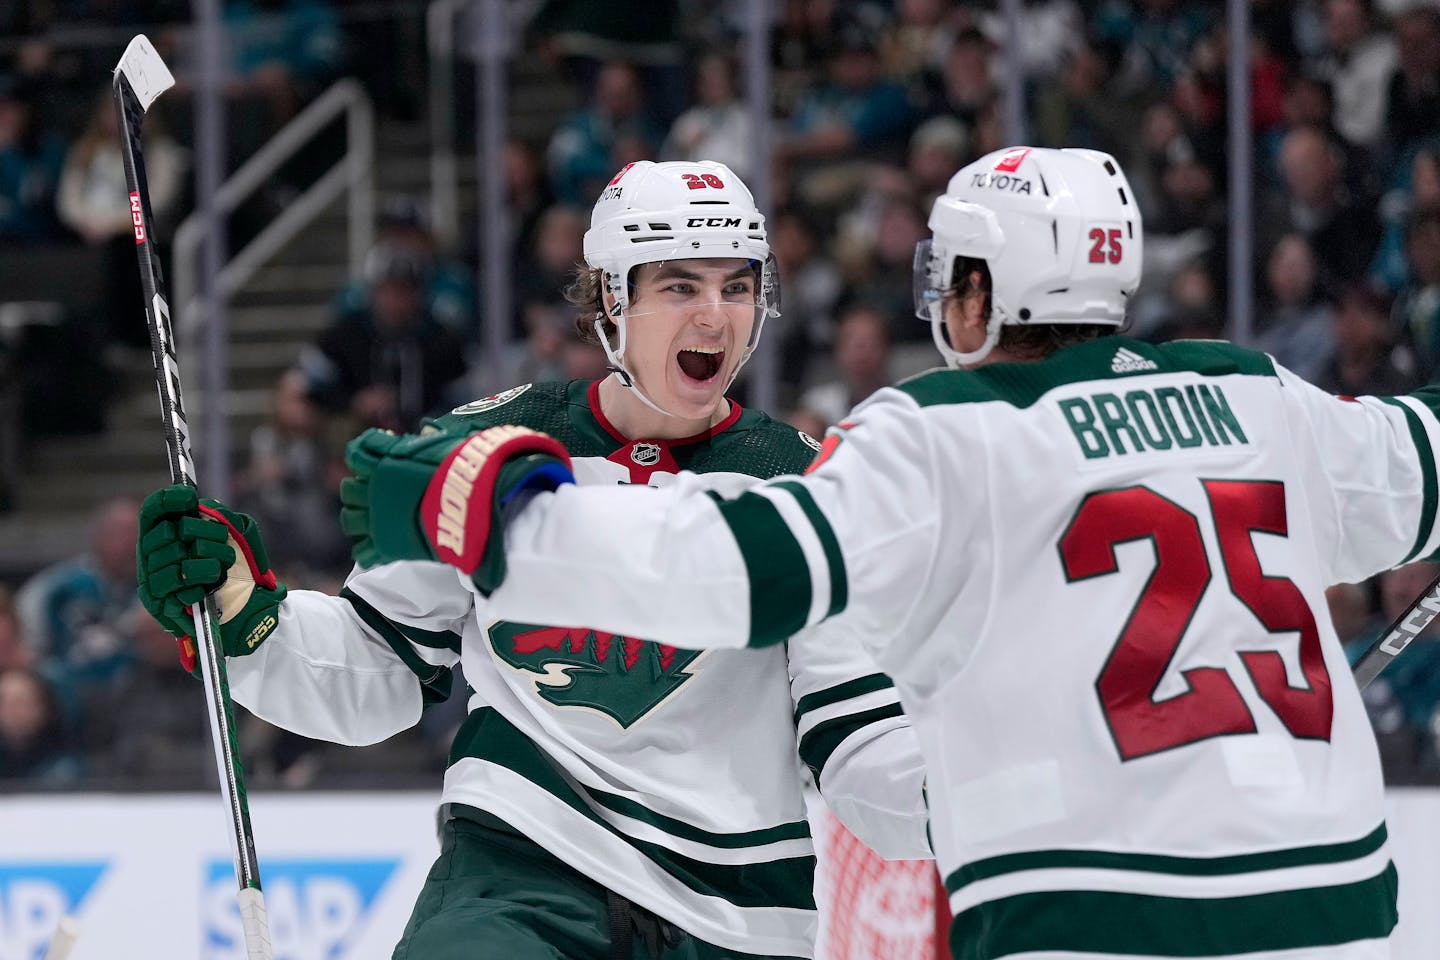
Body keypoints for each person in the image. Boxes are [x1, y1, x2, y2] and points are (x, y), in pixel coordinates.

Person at [338, 147, 1408, 958]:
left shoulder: (943, 433)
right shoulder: (1261, 399)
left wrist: (489, 511)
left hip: (1085, 906)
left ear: (985, 291)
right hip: (1336, 905)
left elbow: (739, 566)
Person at [135, 160, 929, 959]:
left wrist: (982, 791)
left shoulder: (808, 484)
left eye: (737, 287)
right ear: (612, 298)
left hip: (739, 914)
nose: (716, 319)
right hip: (519, 872)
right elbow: (381, 667)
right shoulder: (481, 455)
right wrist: (247, 618)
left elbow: (854, 738)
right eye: (681, 288)